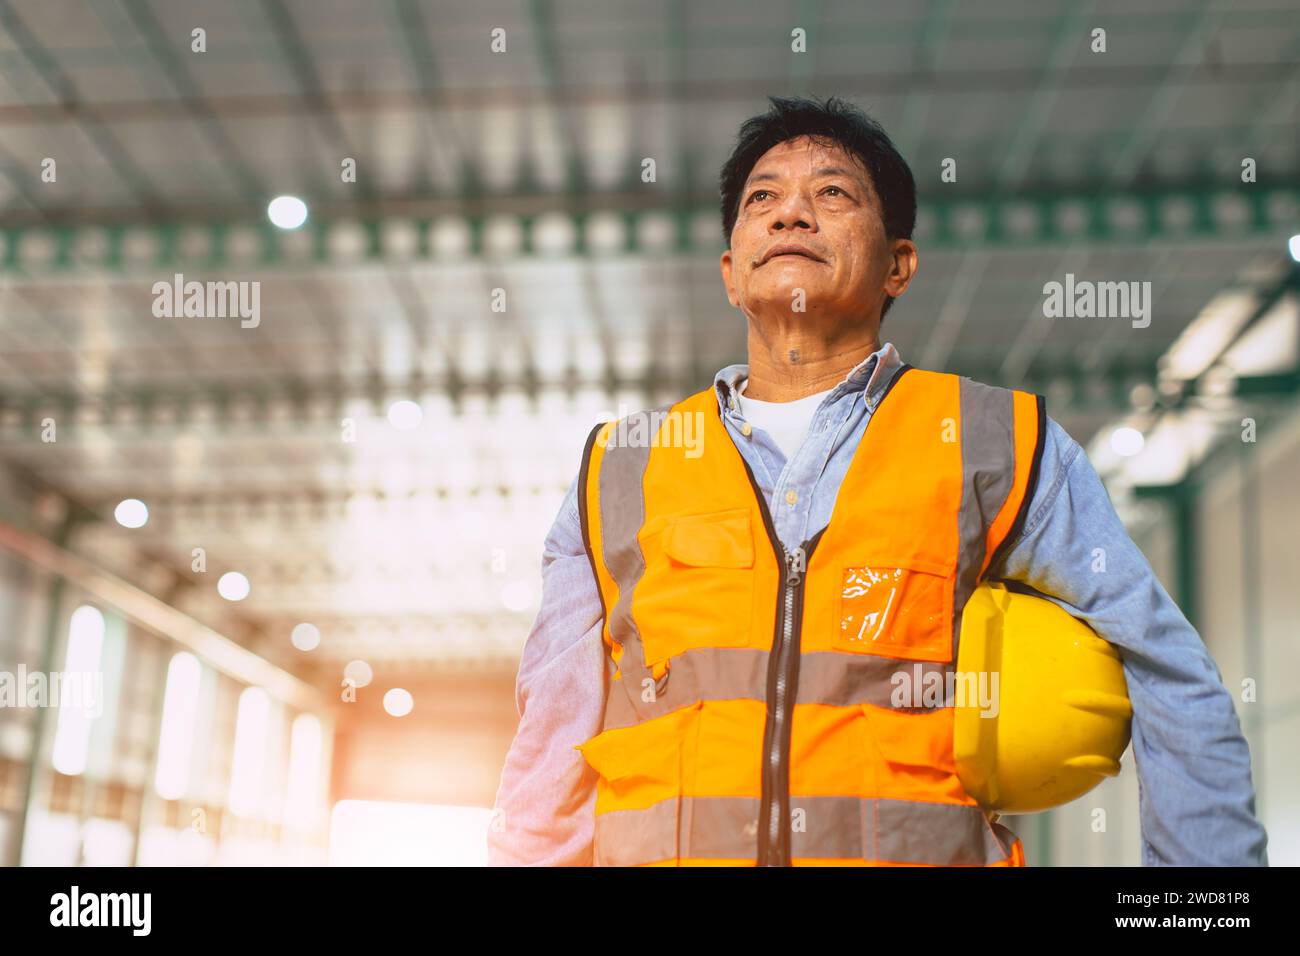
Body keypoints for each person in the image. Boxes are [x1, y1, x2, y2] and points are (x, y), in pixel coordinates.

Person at [488, 96, 1268, 867]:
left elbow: (1165, 667)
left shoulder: (994, 444)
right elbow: (552, 740)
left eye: (831, 192)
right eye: (763, 198)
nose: (791, 214)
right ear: (732, 271)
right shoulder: (621, 467)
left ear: (899, 265)